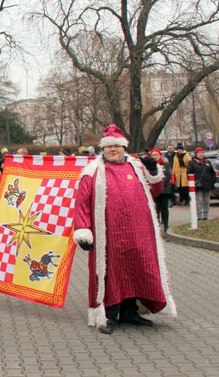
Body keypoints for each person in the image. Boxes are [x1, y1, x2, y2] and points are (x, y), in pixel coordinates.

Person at [72, 124, 176, 335]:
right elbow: (81, 202)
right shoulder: (92, 171)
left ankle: (130, 312)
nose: (113, 150)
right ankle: (109, 315)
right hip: (109, 235)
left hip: (139, 233)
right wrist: (83, 230)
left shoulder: (136, 167)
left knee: (136, 269)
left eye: (117, 147)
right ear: (103, 148)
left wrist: (153, 170)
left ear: (124, 148)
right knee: (111, 272)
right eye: (109, 146)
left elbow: (155, 190)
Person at [187, 147, 217, 221]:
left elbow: (212, 173)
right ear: (196, 154)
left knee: (206, 201)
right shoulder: (192, 162)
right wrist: (194, 180)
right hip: (198, 185)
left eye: (202, 153)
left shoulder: (207, 162)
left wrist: (212, 180)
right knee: (199, 200)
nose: (200, 154)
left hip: (207, 185)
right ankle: (200, 216)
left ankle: (206, 216)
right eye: (199, 153)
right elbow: (189, 173)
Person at [149, 149, 172, 233]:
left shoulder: (165, 164)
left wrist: (161, 182)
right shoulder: (150, 165)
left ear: (160, 155)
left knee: (164, 207)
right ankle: (156, 224)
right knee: (156, 208)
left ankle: (166, 224)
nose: (155, 157)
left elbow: (169, 175)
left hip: (164, 189)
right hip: (154, 189)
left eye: (156, 155)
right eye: (153, 155)